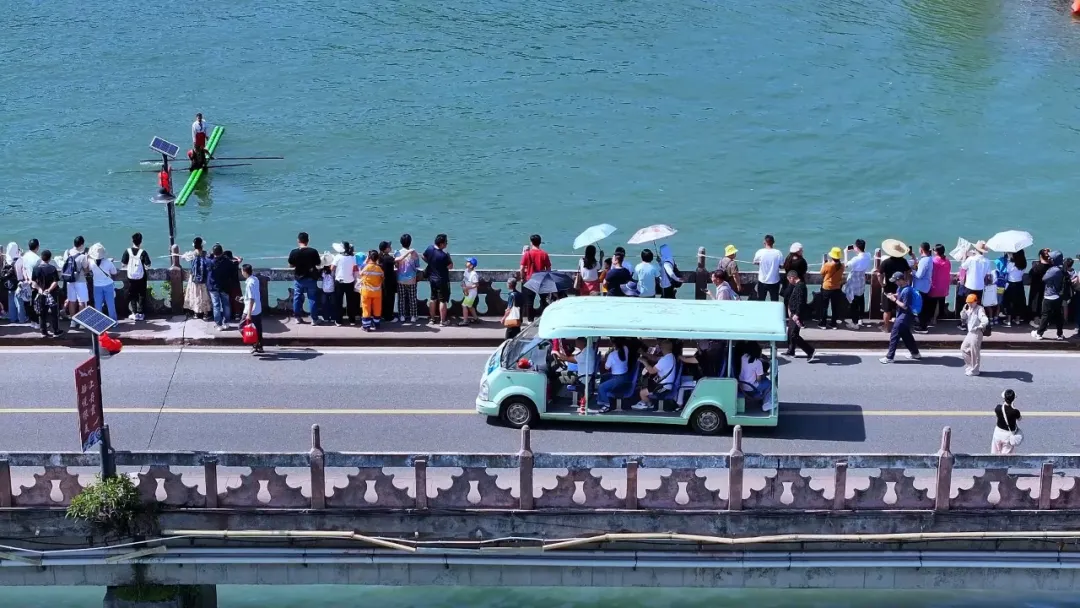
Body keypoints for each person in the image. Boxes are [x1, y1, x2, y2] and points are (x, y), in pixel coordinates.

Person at [880, 272, 922, 364]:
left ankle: (889, 357)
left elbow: (905, 306)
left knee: (894, 334)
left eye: (896, 281)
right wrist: (893, 295)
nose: (895, 282)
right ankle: (915, 353)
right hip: (902, 314)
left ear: (900, 280)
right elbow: (899, 294)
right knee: (906, 335)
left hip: (906, 315)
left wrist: (894, 300)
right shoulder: (901, 288)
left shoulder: (907, 291)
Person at [631, 339, 678, 411]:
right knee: (645, 385)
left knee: (642, 393)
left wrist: (644, 361)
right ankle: (648, 403)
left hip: (663, 387)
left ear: (662, 348)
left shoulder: (665, 360)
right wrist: (643, 353)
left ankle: (648, 405)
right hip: (665, 384)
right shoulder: (670, 356)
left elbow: (652, 371)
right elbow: (655, 358)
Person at [287, 232, 321, 324]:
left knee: (297, 297)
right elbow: (318, 263)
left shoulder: (294, 252)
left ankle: (297, 318)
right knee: (312, 298)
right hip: (311, 278)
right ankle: (314, 319)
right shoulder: (313, 251)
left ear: (298, 240)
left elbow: (290, 265)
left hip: (299, 278)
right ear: (308, 241)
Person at [1032, 250, 1066, 341]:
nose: (1049, 259)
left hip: (1049, 295)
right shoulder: (1062, 268)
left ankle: (1039, 333)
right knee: (1058, 316)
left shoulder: (1053, 270)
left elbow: (1044, 278)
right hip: (1058, 296)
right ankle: (1060, 334)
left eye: (1051, 258)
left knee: (1045, 315)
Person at [878, 241, 911, 332]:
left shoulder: (886, 262)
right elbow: (908, 271)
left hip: (888, 288)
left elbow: (879, 274)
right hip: (900, 287)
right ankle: (899, 327)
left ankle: (886, 328)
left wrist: (882, 283)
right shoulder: (903, 261)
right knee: (900, 308)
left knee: (887, 309)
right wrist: (906, 281)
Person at [783, 270, 816, 361]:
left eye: (789, 279)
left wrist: (797, 314)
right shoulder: (798, 286)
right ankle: (791, 351)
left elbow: (800, 301)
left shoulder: (800, 287)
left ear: (792, 278)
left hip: (797, 314)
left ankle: (810, 351)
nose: (789, 282)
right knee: (790, 332)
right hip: (793, 313)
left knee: (794, 334)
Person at [519, 234, 551, 321]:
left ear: (531, 243)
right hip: (542, 280)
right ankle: (545, 318)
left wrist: (522, 278)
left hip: (530, 280)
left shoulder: (527, 254)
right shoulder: (544, 254)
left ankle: (530, 320)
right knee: (544, 300)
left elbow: (521, 268)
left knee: (530, 302)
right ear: (540, 243)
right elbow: (548, 269)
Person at [595, 338, 632, 413]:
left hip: (618, 379)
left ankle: (606, 405)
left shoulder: (612, 355)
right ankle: (600, 400)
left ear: (613, 344)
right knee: (604, 377)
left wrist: (606, 358)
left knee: (601, 387)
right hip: (625, 377)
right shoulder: (625, 349)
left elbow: (606, 367)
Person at [120, 232, 151, 321]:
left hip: (131, 276)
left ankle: (134, 313)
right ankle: (141, 313)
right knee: (142, 294)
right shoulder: (143, 252)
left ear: (132, 241)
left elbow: (123, 264)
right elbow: (148, 264)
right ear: (141, 242)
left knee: (132, 294)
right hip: (141, 276)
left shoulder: (127, 251)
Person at [423, 234, 453, 326]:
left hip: (432, 278)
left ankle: (432, 319)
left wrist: (431, 263)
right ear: (441, 244)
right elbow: (450, 266)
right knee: (442, 300)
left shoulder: (429, 249)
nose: (447, 244)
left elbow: (423, 256)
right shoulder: (444, 255)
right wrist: (449, 256)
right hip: (441, 279)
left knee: (433, 298)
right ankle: (443, 321)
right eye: (446, 242)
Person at [843, 239, 872, 329]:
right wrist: (856, 249)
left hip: (854, 281)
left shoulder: (855, 259)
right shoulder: (868, 255)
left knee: (853, 303)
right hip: (861, 279)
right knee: (861, 299)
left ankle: (854, 323)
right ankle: (860, 319)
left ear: (857, 248)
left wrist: (845, 253)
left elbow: (846, 265)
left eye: (855, 246)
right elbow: (862, 255)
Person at [32, 250, 62, 337]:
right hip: (52, 293)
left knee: (42, 312)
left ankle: (43, 331)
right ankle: (56, 330)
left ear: (41, 257)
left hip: (41, 293)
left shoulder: (36, 268)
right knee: (54, 312)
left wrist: (39, 289)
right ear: (49, 258)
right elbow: (55, 281)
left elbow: (33, 282)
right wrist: (49, 289)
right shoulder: (52, 268)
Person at [61, 236, 89, 327]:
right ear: (81, 245)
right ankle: (81, 322)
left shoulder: (67, 253)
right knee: (82, 301)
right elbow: (86, 270)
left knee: (72, 300)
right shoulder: (83, 256)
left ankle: (73, 321)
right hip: (80, 281)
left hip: (69, 280)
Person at [737, 341, 773, 410]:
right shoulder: (758, 362)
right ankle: (765, 401)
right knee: (770, 384)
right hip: (751, 387)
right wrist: (764, 375)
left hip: (742, 385)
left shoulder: (743, 357)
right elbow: (758, 380)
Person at [959, 293, 989, 376]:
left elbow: (985, 319)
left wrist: (981, 325)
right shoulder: (968, 309)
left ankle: (975, 370)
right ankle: (970, 366)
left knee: (974, 352)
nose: (970, 304)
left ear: (976, 301)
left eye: (971, 302)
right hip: (970, 332)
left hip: (977, 332)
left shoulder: (980, 309)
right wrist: (963, 311)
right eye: (968, 302)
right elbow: (963, 318)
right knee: (964, 348)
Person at [87, 243, 118, 321]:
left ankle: (99, 321)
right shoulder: (108, 262)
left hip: (97, 285)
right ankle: (113, 321)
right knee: (110, 304)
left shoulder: (91, 263)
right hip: (108, 285)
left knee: (98, 305)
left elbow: (87, 268)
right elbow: (114, 273)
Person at [394, 234, 420, 324]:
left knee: (401, 298)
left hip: (400, 279)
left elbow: (396, 265)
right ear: (410, 242)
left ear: (401, 242)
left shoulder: (397, 253)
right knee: (412, 298)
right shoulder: (413, 253)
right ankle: (413, 316)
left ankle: (402, 316)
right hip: (412, 279)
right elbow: (417, 265)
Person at [331, 242, 358, 325]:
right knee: (351, 302)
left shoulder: (338, 257)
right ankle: (352, 320)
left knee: (339, 302)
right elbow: (355, 269)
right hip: (350, 281)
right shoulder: (353, 257)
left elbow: (332, 268)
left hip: (339, 282)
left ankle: (338, 321)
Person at [206, 244, 234, 330]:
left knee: (216, 305)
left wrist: (210, 255)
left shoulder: (210, 261)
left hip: (213, 286)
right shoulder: (227, 261)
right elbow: (232, 268)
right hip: (225, 286)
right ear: (222, 252)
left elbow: (206, 259)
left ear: (214, 253)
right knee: (226, 305)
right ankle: (226, 322)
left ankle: (218, 324)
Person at [184, 237, 212, 319]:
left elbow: (184, 257)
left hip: (194, 277)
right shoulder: (206, 254)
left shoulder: (192, 254)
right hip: (204, 277)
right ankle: (206, 313)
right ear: (202, 245)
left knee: (195, 294)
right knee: (204, 295)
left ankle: (196, 312)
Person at [818, 247, 845, 329]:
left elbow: (821, 273)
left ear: (832, 256)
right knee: (835, 307)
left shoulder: (828, 265)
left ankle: (823, 323)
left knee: (824, 306)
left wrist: (824, 264)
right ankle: (833, 323)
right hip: (837, 288)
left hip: (827, 288)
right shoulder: (842, 266)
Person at [241, 264, 264, 355]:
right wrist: (244, 298)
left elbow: (251, 299)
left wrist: (249, 314)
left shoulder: (249, 284)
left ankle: (255, 343)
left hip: (251, 310)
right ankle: (260, 345)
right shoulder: (255, 279)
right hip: (258, 308)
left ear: (245, 272)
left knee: (241, 327)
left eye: (242, 271)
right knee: (258, 328)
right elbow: (253, 295)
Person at [359, 250, 384, 331]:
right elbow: (382, 278)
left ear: (369, 257)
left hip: (366, 292)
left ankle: (366, 326)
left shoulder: (365, 267)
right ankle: (376, 324)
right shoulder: (379, 268)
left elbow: (360, 273)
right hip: (377, 292)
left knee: (366, 308)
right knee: (377, 308)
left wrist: (365, 261)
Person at [991, 389, 1022, 455]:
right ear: (1013, 399)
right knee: (1005, 457)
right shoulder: (1015, 411)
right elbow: (1019, 419)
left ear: (1004, 398)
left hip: (998, 433)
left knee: (994, 454)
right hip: (1008, 436)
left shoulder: (998, 408)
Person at [753, 235, 784, 301]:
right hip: (774, 281)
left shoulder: (760, 252)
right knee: (774, 300)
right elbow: (781, 266)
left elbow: (755, 262)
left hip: (762, 280)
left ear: (764, 242)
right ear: (773, 242)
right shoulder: (778, 253)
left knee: (761, 300)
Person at [912, 242, 933, 333]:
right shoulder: (929, 258)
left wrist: (912, 271)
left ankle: (922, 327)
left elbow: (919, 275)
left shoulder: (924, 261)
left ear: (921, 249)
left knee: (920, 307)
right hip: (925, 286)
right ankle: (923, 324)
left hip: (920, 286)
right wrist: (914, 258)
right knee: (924, 306)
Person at [928, 245, 951, 326]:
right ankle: (936, 317)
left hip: (935, 285)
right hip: (944, 286)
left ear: (936, 252)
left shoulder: (934, 261)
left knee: (933, 303)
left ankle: (933, 319)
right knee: (940, 302)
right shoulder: (947, 261)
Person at [4, 242, 27, 324]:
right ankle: (21, 319)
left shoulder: (7, 259)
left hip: (9, 283)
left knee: (11, 301)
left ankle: (13, 318)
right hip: (17, 283)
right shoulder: (18, 259)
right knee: (19, 301)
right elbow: (20, 272)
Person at [1002, 250, 1027, 327]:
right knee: (1019, 301)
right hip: (1019, 284)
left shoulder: (1011, 264)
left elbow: (1006, 271)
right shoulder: (1023, 264)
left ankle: (1008, 320)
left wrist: (1006, 259)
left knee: (1009, 302)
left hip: (1011, 284)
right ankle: (1017, 319)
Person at [21, 239, 42, 328]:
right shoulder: (37, 259)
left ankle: (32, 322)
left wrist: (27, 278)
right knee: (36, 303)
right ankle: (38, 323)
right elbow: (39, 273)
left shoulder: (25, 256)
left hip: (27, 282)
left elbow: (23, 268)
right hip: (35, 283)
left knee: (29, 303)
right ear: (37, 247)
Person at [1027, 249, 1051, 325]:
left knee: (1036, 303)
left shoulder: (1036, 267)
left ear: (1040, 256)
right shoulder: (1051, 267)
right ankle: (1045, 320)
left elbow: (1030, 275)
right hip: (1047, 288)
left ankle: (1036, 321)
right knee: (1044, 304)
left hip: (1036, 288)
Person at [377, 241, 398, 325]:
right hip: (389, 281)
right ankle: (389, 317)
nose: (390, 247)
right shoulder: (388, 258)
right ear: (385, 249)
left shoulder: (379, 257)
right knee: (390, 299)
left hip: (381, 281)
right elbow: (397, 262)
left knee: (383, 298)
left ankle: (382, 315)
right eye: (389, 246)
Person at [460, 258, 480, 325]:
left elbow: (476, 284)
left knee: (464, 305)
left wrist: (467, 288)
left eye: (468, 262)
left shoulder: (473, 274)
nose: (466, 262)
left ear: (471, 266)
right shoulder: (466, 271)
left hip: (472, 293)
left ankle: (465, 321)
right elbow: (464, 280)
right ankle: (476, 318)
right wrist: (464, 287)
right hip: (467, 291)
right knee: (470, 305)